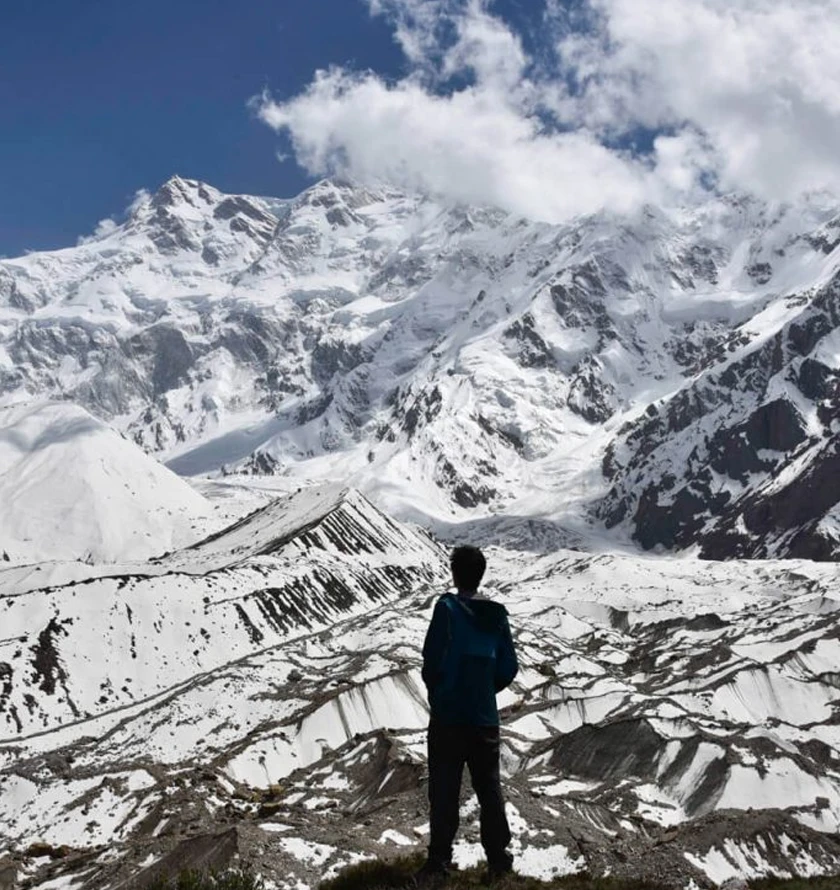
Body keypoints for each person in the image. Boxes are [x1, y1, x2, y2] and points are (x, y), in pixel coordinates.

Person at [416, 545, 519, 884]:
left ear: (454, 573)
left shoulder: (446, 609)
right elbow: (508, 667)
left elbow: (431, 659)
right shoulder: (497, 615)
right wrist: (484, 691)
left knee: (444, 789)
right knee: (489, 788)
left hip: (448, 717)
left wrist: (441, 690)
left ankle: (439, 860)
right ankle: (498, 859)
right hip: (484, 719)